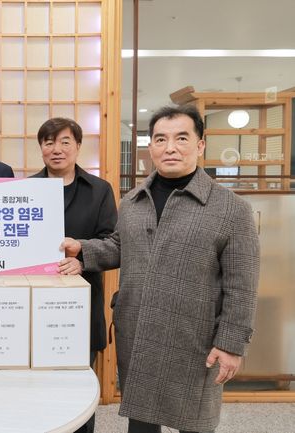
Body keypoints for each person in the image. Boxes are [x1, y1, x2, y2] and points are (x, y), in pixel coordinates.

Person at [62, 105, 259, 433]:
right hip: (139, 331)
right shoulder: (133, 201)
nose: (170, 148)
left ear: (200, 144)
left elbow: (242, 285)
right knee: (141, 424)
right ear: (151, 146)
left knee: (195, 423)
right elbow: (121, 245)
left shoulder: (231, 209)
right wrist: (82, 249)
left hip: (195, 338)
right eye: (160, 139)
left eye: (181, 138)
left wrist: (231, 344)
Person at [31, 117, 117, 433]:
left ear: (78, 146)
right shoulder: (26, 189)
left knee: (79, 391)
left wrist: (82, 258)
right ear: (41, 148)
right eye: (49, 142)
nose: (57, 149)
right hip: (33, 307)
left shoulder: (99, 190)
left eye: (65, 142)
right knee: (36, 391)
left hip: (81, 307)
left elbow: (114, 243)